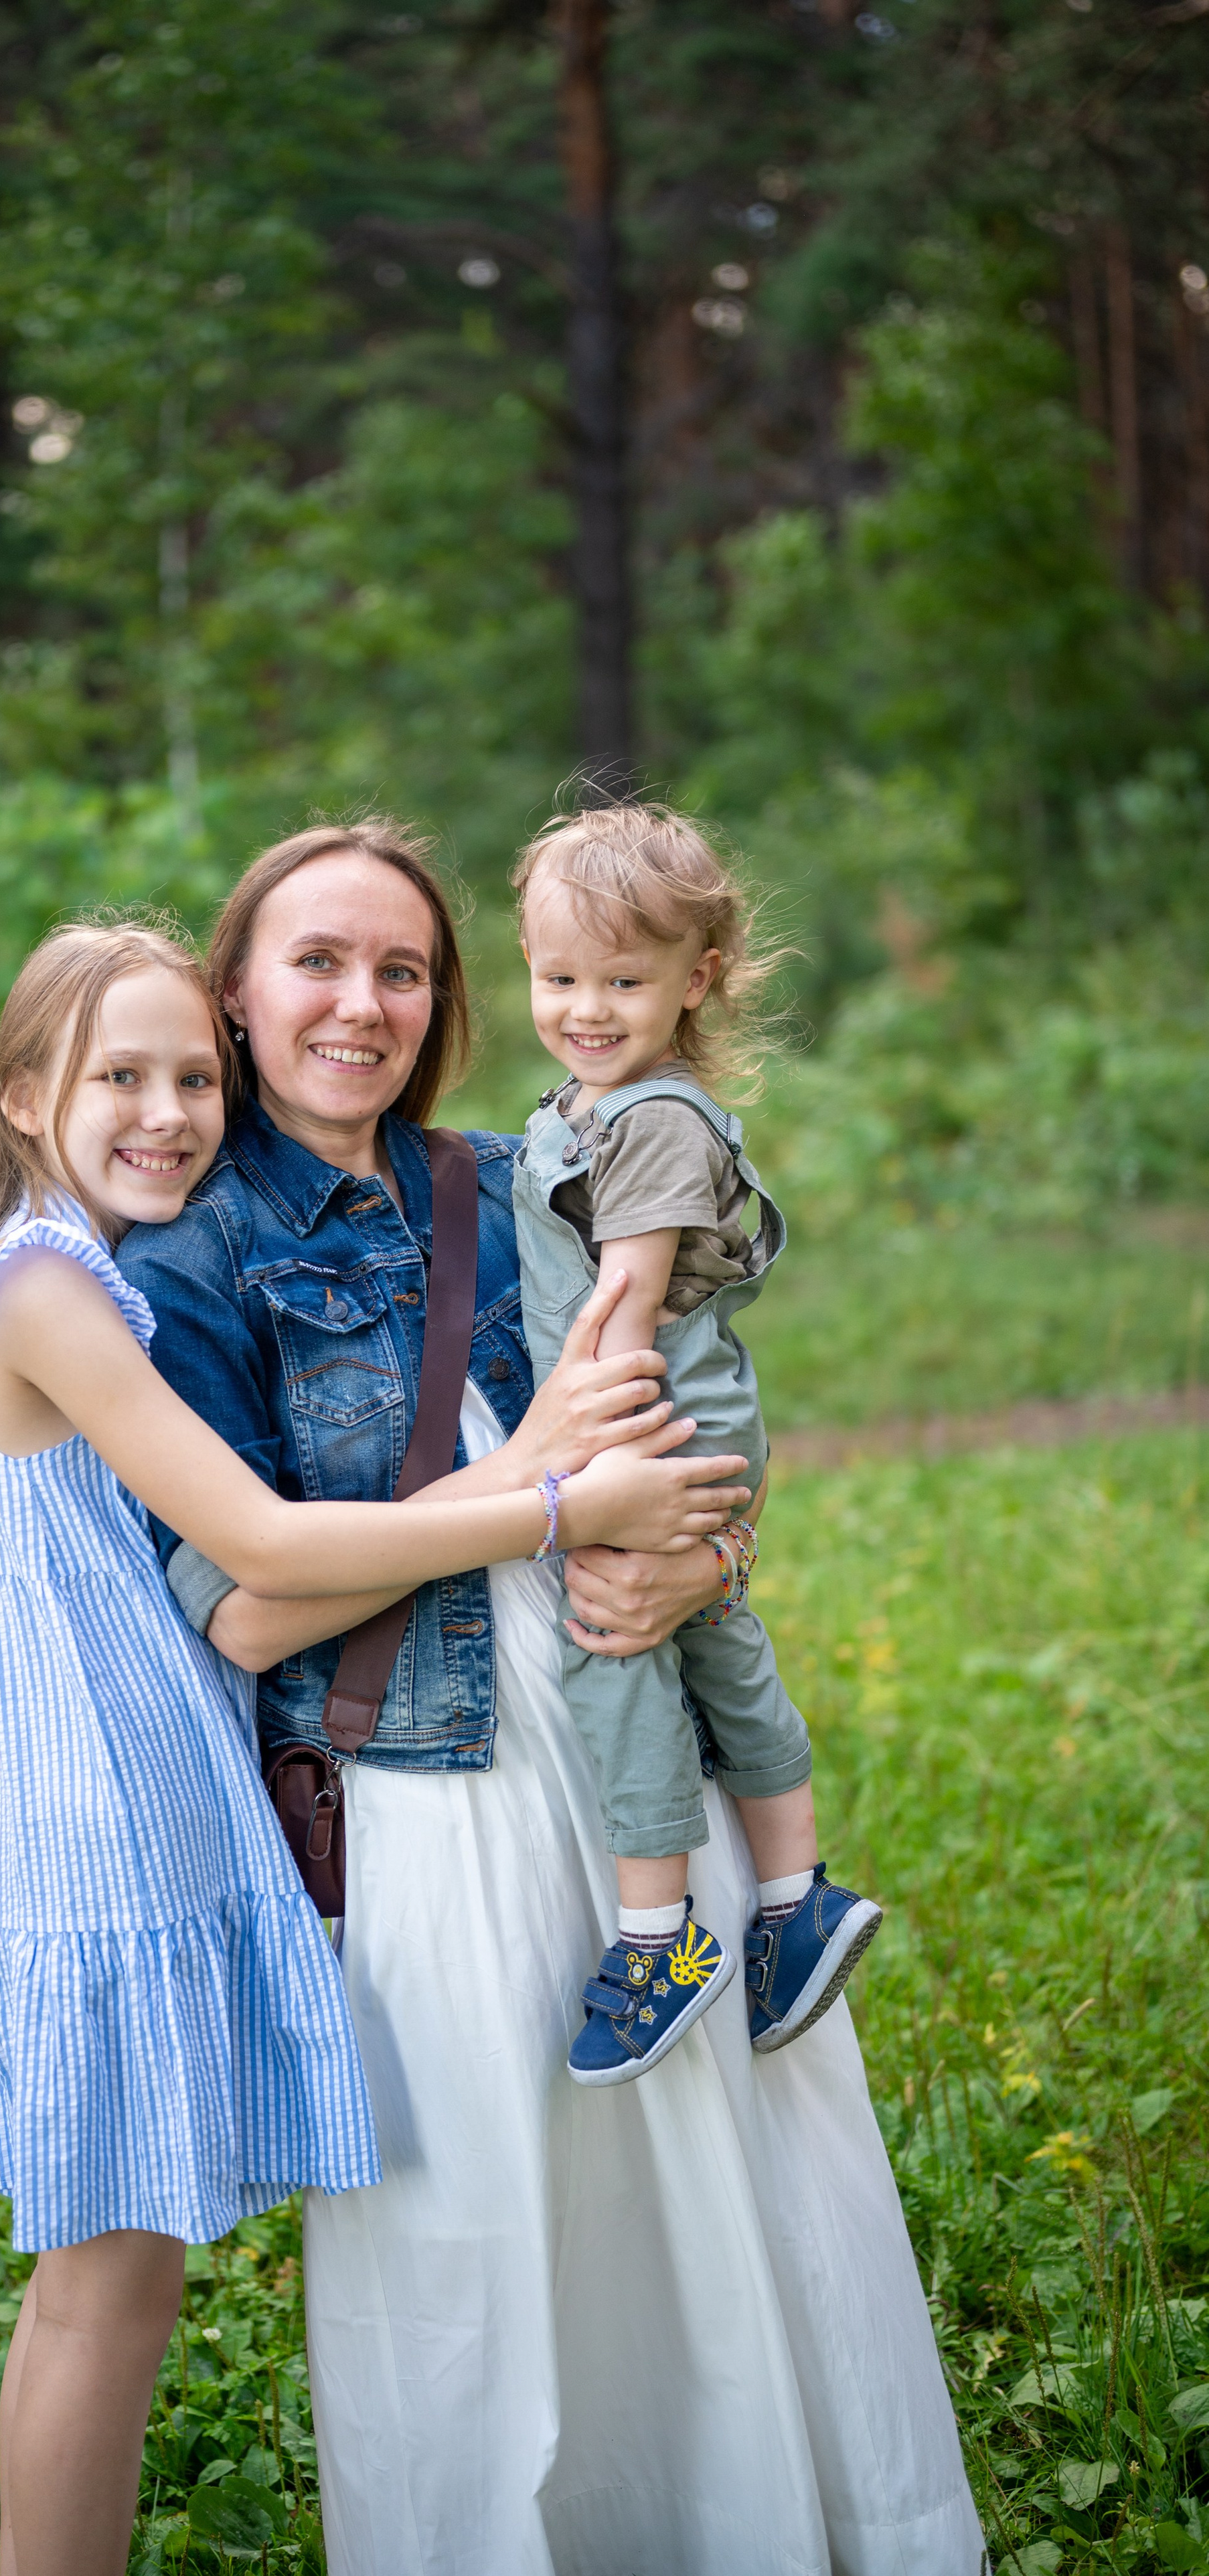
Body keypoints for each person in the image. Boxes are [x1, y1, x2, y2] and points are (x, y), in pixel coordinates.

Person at [119, 823, 986, 2576]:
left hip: (629, 1741)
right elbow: (246, 1612)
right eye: (317, 962)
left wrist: (707, 1558)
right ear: (236, 993)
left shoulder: (536, 1175)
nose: (361, 1003)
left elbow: (698, 1415)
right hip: (426, 1787)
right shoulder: (186, 1264)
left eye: (402, 969)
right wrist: (534, 1491)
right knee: (481, 2230)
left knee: (711, 2185)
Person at [0, 918, 749, 2576]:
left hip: (151, 1790)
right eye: (116, 1077)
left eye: (189, 1080)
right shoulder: (43, 1292)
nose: (167, 1113)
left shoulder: (85, 1273)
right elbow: (264, 1549)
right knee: (100, 2285)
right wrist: (557, 1499)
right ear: (19, 1096)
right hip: (99, 1815)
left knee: (125, 2279)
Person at [511, 803, 883, 2086]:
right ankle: (794, 1899)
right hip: (680, 1405)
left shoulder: (656, 1119)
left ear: (696, 978)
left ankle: (659, 1939)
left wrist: (592, 1464)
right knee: (714, 1636)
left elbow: (624, 1299)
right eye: (560, 978)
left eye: (624, 981)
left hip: (647, 1409)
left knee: (613, 1641)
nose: (587, 1009)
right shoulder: (596, 1102)